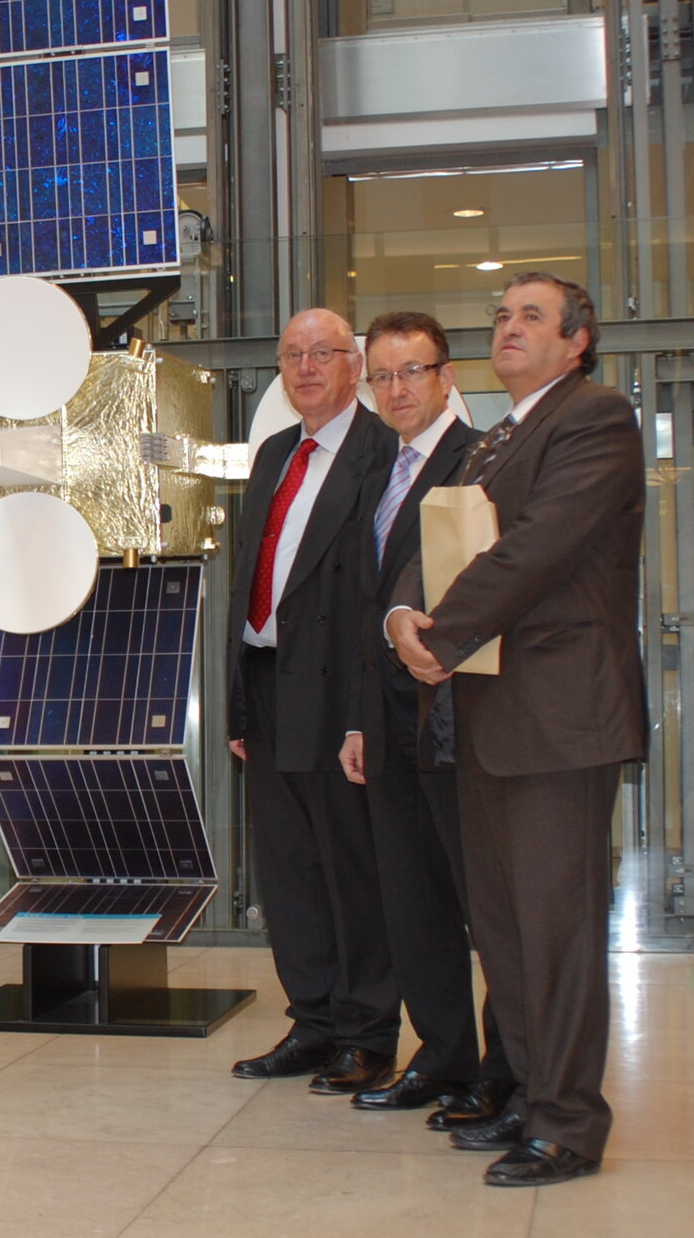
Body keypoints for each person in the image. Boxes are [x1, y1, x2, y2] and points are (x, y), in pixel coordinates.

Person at [388, 272, 645, 1187]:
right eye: (500, 316)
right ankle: (532, 1098)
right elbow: (436, 534)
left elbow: (536, 547)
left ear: (577, 340)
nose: (508, 328)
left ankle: (570, 1125)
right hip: (487, 719)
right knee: (503, 931)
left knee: (555, 930)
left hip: (561, 721)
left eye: (530, 316)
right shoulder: (496, 436)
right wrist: (402, 618)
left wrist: (443, 634)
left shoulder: (596, 417)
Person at [338, 312, 512, 1126]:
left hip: (461, 712)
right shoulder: (382, 468)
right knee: (412, 899)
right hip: (390, 717)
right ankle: (442, 1056)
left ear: (447, 376)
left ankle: (505, 1070)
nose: (398, 388)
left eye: (414, 371)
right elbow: (366, 605)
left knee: (488, 903)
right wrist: (358, 722)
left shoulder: (479, 460)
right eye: (383, 374)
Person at [226, 308, 399, 1094]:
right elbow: (248, 581)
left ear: (353, 365)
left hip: (341, 690)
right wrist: (234, 704)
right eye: (292, 355)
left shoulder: (382, 453)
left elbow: (377, 590)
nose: (304, 368)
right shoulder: (271, 454)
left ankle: (367, 1030)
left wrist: (368, 712)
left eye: (321, 353)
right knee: (289, 869)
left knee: (352, 866)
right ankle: (314, 1019)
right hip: (268, 683)